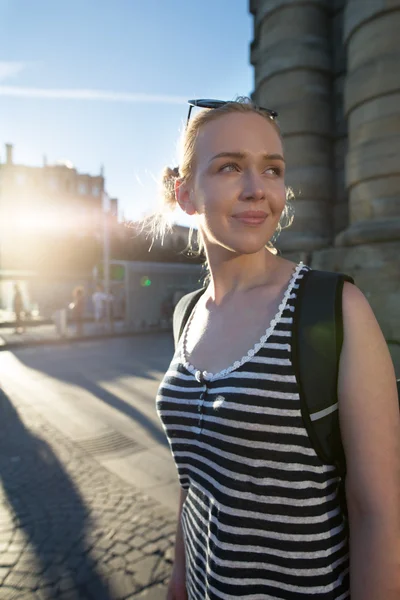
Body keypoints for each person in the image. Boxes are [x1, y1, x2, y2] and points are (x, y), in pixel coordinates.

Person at [153, 98, 400, 599]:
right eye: (229, 167)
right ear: (185, 194)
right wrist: (179, 582)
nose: (256, 189)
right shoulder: (186, 313)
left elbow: (377, 513)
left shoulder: (334, 307)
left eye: (272, 169)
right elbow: (194, 479)